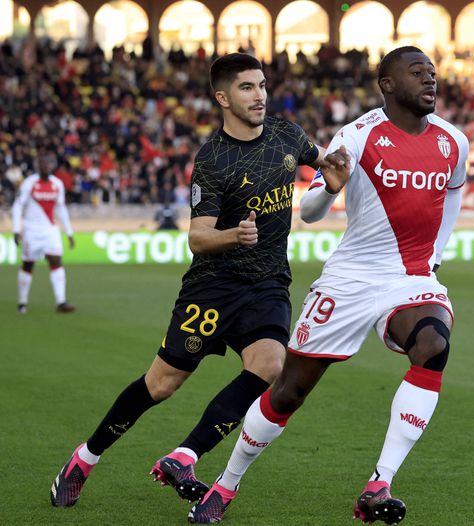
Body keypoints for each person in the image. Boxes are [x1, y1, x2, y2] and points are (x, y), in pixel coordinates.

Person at [189, 46, 468, 524]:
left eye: (433, 73)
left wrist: (435, 256)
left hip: (412, 279)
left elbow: (454, 196)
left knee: (433, 343)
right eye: (417, 72)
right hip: (351, 280)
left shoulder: (453, 142)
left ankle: (379, 485)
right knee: (289, 392)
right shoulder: (358, 137)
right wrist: (331, 188)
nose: (430, 80)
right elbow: (312, 212)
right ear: (387, 85)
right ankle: (227, 483)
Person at [50, 53, 342, 508]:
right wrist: (234, 234)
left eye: (261, 84)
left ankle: (184, 455)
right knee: (161, 385)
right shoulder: (213, 159)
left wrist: (334, 176)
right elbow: (197, 236)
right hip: (213, 287)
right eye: (246, 87)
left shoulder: (288, 134)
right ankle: (85, 457)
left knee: (268, 365)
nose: (259, 94)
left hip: (267, 283)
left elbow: (325, 162)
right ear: (222, 97)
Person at [11, 154, 76, 314]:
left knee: (56, 260)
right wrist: (16, 229)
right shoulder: (29, 183)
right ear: (38, 166)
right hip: (32, 230)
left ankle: (61, 302)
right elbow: (18, 206)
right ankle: (22, 302)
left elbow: (61, 209)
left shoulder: (57, 184)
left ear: (52, 166)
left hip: (50, 230)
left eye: (48, 164)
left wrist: (69, 232)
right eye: (43, 164)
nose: (46, 167)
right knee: (28, 264)